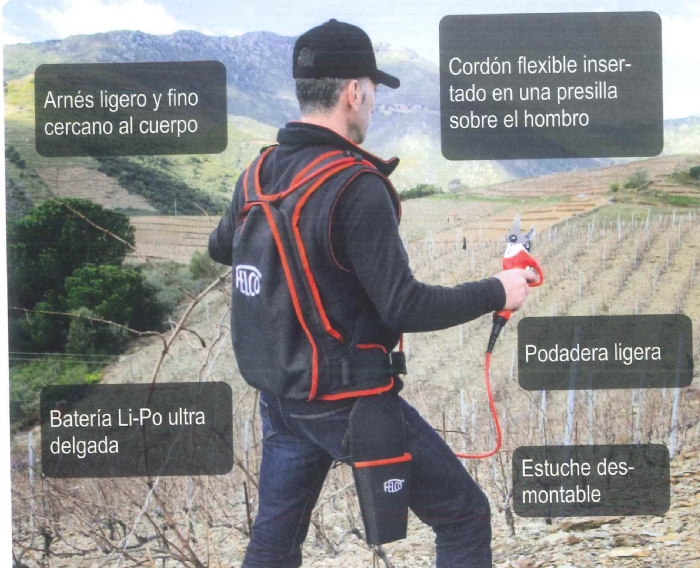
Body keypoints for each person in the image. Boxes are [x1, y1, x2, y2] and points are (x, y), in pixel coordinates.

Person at [208, 18, 535, 568]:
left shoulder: (257, 173)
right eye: (374, 91)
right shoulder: (356, 185)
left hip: (282, 400)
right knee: (463, 516)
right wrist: (497, 289)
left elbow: (223, 248)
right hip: (349, 402)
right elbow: (405, 305)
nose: (373, 104)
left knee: (274, 545)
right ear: (354, 91)